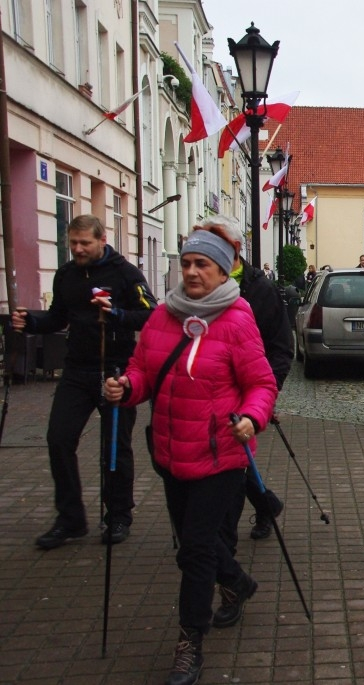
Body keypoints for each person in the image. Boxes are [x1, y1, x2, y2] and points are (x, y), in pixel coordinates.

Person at [104, 229, 278, 685]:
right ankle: (237, 583)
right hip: (168, 451)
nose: (193, 271)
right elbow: (144, 370)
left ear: (224, 270)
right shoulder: (163, 315)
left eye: (203, 264)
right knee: (193, 542)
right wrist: (125, 388)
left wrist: (252, 418)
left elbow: (262, 384)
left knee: (196, 549)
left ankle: (189, 643)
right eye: (187, 263)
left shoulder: (238, 319)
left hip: (220, 453)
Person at [13, 214, 156, 550]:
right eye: (73, 242)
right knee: (58, 440)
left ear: (101, 240)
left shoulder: (124, 273)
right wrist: (31, 321)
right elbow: (57, 318)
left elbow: (151, 314)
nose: (77, 249)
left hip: (116, 369)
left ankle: (118, 515)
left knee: (114, 447)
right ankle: (71, 518)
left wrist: (117, 314)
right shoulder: (66, 275)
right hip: (76, 370)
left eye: (84, 243)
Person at [195, 217, 293, 541]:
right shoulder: (193, 290)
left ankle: (225, 559)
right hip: (202, 398)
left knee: (230, 468)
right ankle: (265, 505)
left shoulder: (259, 290)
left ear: (234, 249)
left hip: (242, 397)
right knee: (228, 463)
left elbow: (280, 350)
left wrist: (266, 399)